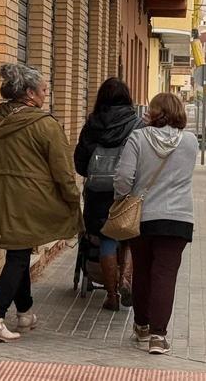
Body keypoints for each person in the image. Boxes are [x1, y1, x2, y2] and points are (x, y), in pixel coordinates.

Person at [0, 63, 81, 343]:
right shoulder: (45, 125)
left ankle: (25, 311)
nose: (46, 94)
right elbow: (62, 170)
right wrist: (72, 198)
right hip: (30, 204)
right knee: (18, 257)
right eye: (44, 89)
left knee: (17, 254)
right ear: (30, 93)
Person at [114, 92, 197, 355]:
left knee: (142, 271)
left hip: (144, 217)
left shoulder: (137, 138)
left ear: (153, 112)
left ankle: (141, 327)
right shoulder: (190, 141)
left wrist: (122, 197)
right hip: (179, 218)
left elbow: (124, 178)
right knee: (165, 275)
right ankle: (159, 337)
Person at [73, 77, 143, 311]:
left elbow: (80, 164)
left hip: (97, 194)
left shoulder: (92, 125)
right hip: (128, 193)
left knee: (106, 240)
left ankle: (112, 295)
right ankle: (126, 280)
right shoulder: (137, 125)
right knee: (130, 236)